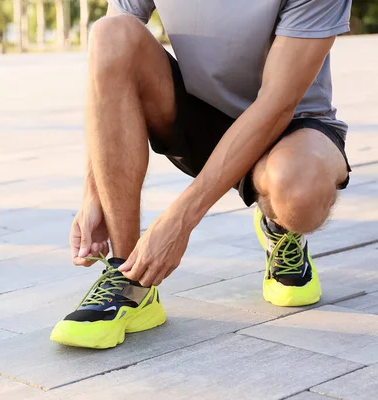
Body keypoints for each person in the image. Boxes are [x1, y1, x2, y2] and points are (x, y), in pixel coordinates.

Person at [50, 0, 352, 349]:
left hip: (288, 125)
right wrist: (94, 192)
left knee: (300, 193)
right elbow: (108, 67)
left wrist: (180, 220)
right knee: (110, 32)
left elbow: (277, 103)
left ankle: (278, 225)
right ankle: (129, 278)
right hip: (201, 114)